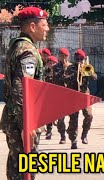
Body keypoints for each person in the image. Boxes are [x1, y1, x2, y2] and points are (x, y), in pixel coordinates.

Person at [0, 6, 49, 179]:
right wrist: (25, 124)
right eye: (44, 24)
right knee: (25, 169)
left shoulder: (18, 46)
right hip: (22, 120)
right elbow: (22, 87)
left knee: (16, 167)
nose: (48, 29)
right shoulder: (28, 51)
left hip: (14, 118)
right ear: (32, 27)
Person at [73, 49, 98, 144]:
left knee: (89, 115)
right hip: (73, 94)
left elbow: (95, 77)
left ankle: (84, 135)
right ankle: (73, 139)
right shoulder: (70, 68)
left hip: (84, 94)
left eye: (81, 59)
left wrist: (89, 72)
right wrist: (76, 73)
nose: (79, 60)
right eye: (77, 58)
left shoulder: (87, 67)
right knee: (73, 118)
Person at [52, 48, 72, 145]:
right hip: (59, 94)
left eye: (64, 56)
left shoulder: (72, 67)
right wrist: (63, 69)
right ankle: (62, 136)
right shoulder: (55, 67)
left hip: (70, 95)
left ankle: (71, 132)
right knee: (60, 118)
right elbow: (56, 78)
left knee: (73, 117)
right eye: (60, 56)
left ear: (67, 57)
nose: (62, 58)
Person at [44, 55, 58, 140]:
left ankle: (62, 134)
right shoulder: (44, 72)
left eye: (53, 63)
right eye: (50, 63)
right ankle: (49, 131)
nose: (52, 65)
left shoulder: (59, 72)